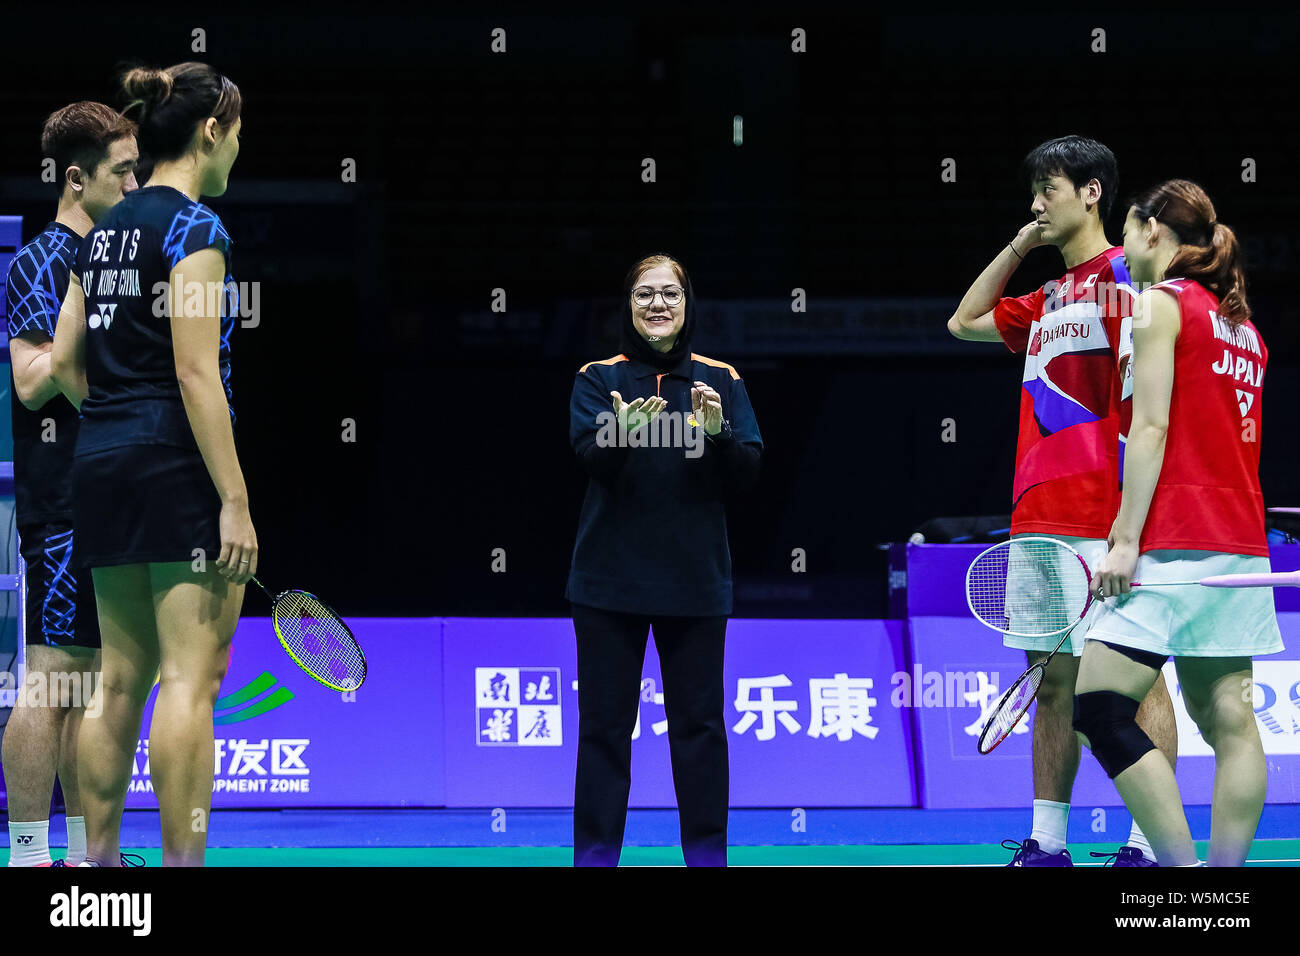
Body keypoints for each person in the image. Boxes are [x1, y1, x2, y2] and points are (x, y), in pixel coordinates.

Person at [948, 135, 1176, 866]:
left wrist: (1131, 527)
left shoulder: (1128, 282)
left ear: (1091, 193)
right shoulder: (1046, 298)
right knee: (1052, 685)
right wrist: (1019, 246)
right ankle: (1047, 842)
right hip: (1037, 517)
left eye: (1048, 189)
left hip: (1106, 515)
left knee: (1137, 685)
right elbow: (964, 321)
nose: (1036, 203)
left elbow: (1151, 411)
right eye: (1033, 192)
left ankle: (1149, 842)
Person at [50, 62, 254, 867]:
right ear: (212, 132)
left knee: (116, 683)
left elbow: (65, 362)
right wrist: (234, 500)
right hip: (174, 463)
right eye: (237, 133)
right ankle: (181, 865)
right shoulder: (196, 230)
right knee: (188, 682)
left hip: (100, 458)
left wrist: (115, 422)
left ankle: (95, 867)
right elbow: (196, 372)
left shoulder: (100, 232)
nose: (239, 148)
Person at [1081, 180, 1281, 867]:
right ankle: (1224, 887)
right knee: (1231, 722)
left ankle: (1182, 875)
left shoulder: (1159, 305)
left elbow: (1153, 425)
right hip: (1239, 546)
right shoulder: (1244, 328)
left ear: (1154, 232)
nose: (1123, 247)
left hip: (1173, 545)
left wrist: (1125, 539)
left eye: (1129, 231)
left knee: (1100, 708)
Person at [566, 253, 762, 866]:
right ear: (628, 305)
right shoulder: (598, 378)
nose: (658, 305)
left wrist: (720, 435)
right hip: (607, 585)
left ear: (687, 304)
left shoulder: (720, 379)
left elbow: (748, 473)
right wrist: (617, 433)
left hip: (695, 584)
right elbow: (588, 458)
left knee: (699, 731)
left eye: (670, 294)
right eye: (645, 294)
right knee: (603, 732)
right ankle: (596, 856)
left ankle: (707, 857)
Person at [2, 102, 137, 867]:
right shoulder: (43, 261)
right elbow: (27, 383)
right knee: (52, 679)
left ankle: (92, 858)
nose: (135, 182)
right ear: (77, 178)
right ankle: (25, 855)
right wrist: (83, 333)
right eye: (122, 171)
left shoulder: (113, 260)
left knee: (91, 686)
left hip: (114, 494)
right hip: (63, 500)